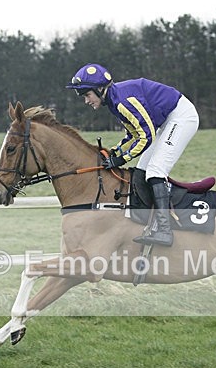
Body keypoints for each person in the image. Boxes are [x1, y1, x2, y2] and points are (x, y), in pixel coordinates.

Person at [66, 63, 199, 246]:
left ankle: (165, 231)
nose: (86, 101)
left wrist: (122, 158)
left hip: (181, 117)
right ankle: (150, 223)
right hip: (165, 122)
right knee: (142, 171)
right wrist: (114, 152)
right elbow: (132, 135)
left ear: (100, 89)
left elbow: (146, 136)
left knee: (155, 171)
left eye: (87, 95)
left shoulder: (122, 102)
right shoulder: (114, 101)